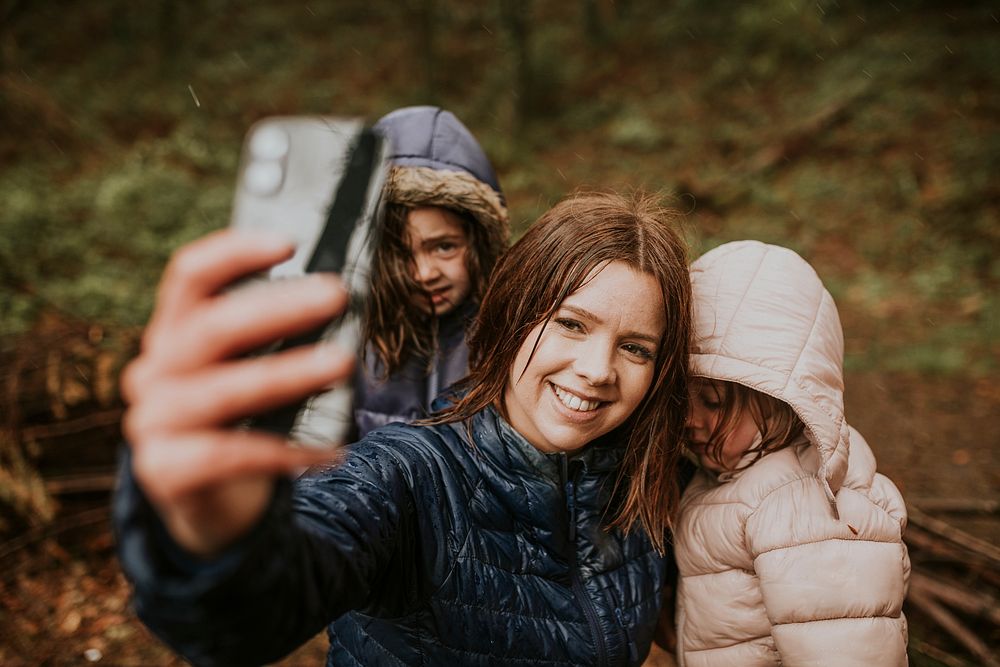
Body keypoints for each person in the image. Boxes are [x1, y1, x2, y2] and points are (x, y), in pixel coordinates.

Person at [114, 191, 693, 665]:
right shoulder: (408, 474)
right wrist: (211, 537)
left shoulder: (640, 485)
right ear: (512, 315)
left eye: (635, 348)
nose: (597, 370)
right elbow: (247, 618)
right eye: (571, 323)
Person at [671, 240, 909, 666]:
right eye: (682, 399)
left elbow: (845, 653)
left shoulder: (804, 508)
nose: (690, 419)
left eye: (713, 402)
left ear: (782, 400)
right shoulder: (745, 476)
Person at [351, 105, 508, 439]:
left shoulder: (509, 337)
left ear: (478, 241)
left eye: (444, 246)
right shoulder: (350, 339)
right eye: (400, 253)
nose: (424, 274)